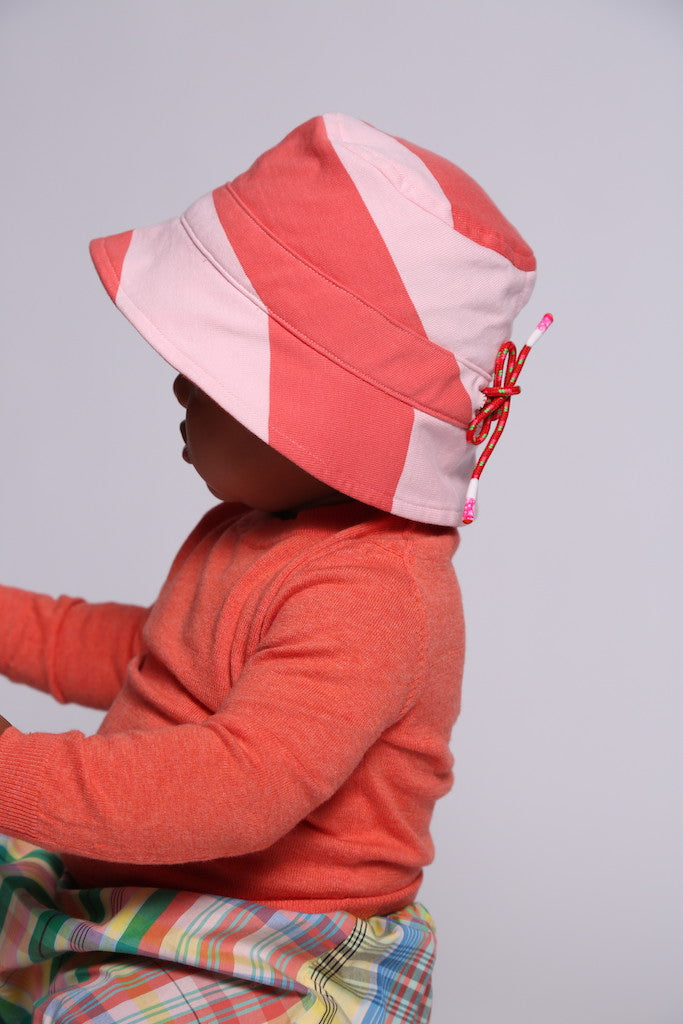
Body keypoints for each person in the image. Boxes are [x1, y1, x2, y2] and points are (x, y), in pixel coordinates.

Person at [0, 113, 545, 1023]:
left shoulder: (378, 592)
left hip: (274, 949)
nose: (177, 383)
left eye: (211, 368)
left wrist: (11, 768)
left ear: (321, 420)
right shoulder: (251, 530)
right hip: (150, 904)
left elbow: (234, 787)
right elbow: (151, 660)